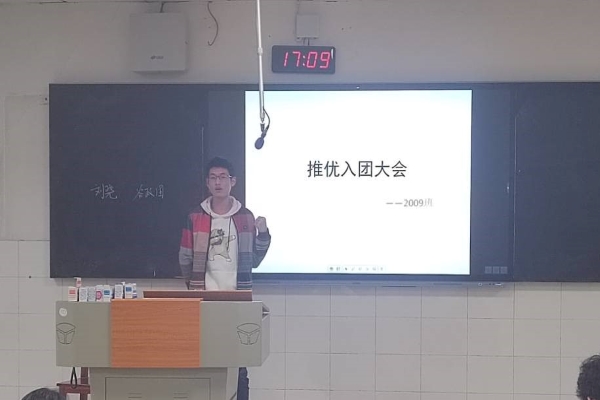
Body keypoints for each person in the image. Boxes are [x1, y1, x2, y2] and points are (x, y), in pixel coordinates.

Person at [179, 156, 271, 400]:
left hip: (237, 300)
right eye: (213, 178)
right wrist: (195, 287)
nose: (218, 182)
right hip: (204, 302)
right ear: (207, 183)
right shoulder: (195, 216)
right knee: (206, 362)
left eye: (222, 177)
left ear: (233, 181)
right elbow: (185, 257)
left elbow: (254, 259)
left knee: (239, 365)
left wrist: (263, 233)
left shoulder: (245, 217)